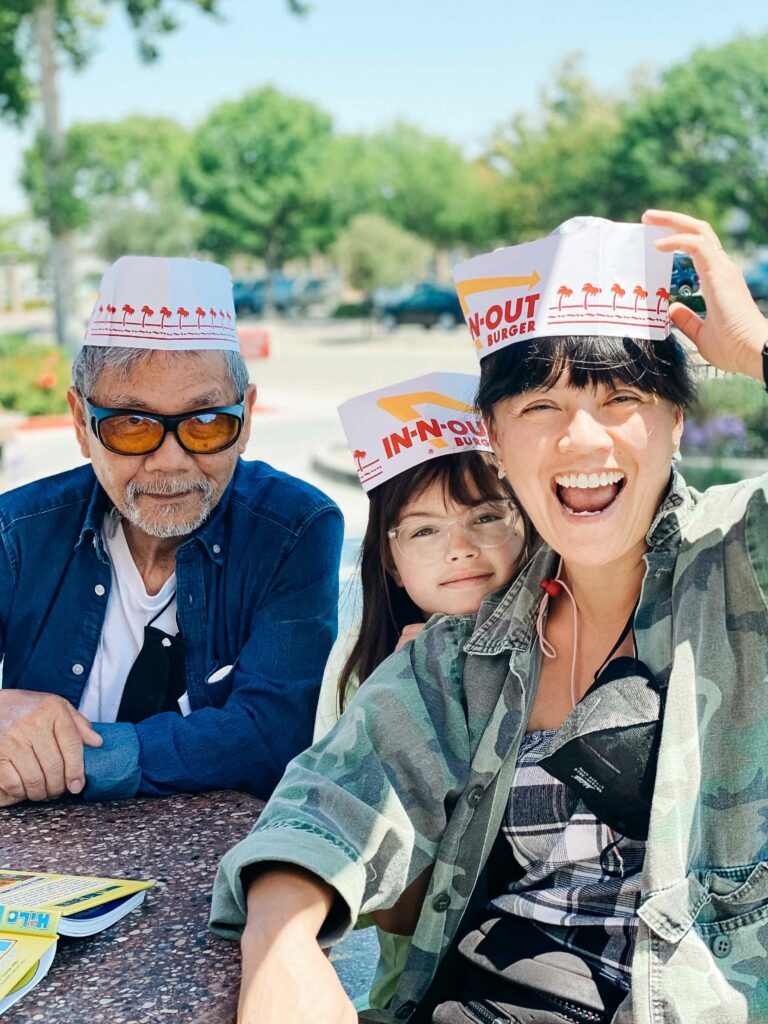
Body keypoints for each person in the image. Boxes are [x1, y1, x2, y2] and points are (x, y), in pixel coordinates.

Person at [210, 211, 768, 1024]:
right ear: (497, 444)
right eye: (540, 404)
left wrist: (755, 347)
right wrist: (283, 935)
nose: (583, 439)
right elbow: (330, 800)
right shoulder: (463, 654)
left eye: (623, 396)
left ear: (677, 422)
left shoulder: (744, 564)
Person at [0, 255, 343, 806]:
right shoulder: (17, 532)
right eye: (132, 424)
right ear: (80, 424)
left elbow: (271, 733)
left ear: (247, 418)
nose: (170, 461)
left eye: (205, 423)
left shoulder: (293, 529)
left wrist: (58, 760)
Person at [313, 372, 531, 1009]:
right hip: (425, 990)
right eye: (425, 531)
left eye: (487, 516)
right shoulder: (361, 671)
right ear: (390, 557)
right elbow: (400, 916)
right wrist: (413, 708)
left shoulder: (574, 641)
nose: (460, 549)